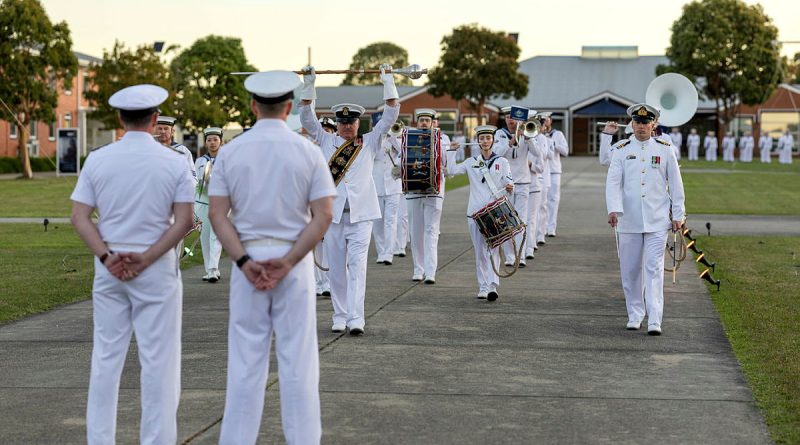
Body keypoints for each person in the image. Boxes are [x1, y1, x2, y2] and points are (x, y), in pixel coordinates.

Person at [209, 71, 336, 444]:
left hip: (247, 260)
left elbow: (218, 214)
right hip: (292, 262)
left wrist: (245, 262)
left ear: (253, 106)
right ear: (290, 107)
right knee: (298, 362)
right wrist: (290, 261)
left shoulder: (231, 151)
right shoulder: (308, 151)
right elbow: (324, 215)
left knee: (245, 363)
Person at [70, 84, 195, 444]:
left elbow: (80, 217)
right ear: (155, 119)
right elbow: (184, 221)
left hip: (109, 268)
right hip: (154, 268)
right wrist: (147, 258)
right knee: (159, 363)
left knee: (106, 359)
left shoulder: (98, 158)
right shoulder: (173, 161)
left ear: (119, 119)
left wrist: (108, 257)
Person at [299, 64, 400, 334]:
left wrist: (387, 79)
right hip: (332, 217)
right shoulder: (324, 139)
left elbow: (391, 114)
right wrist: (309, 84)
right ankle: (339, 315)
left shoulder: (370, 141)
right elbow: (306, 117)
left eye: (351, 122)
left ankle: (356, 317)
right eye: (343, 123)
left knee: (357, 266)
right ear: (338, 125)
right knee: (336, 271)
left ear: (358, 123)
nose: (346, 127)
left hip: (361, 216)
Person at [606, 104, 685, 336]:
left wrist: (678, 214)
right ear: (632, 124)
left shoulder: (665, 149)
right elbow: (613, 182)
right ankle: (635, 314)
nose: (641, 126)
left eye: (646, 122)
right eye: (638, 122)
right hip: (628, 219)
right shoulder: (620, 149)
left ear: (654, 125)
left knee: (653, 269)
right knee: (630, 270)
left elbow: (676, 184)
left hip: (657, 220)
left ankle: (654, 318)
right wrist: (613, 209)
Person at [447, 125, 514, 301]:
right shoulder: (471, 162)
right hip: (475, 213)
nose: (485, 141)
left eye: (488, 138)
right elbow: (451, 171)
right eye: (482, 138)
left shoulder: (502, 162)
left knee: (494, 249)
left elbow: (509, 183)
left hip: (495, 213)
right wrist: (452, 152)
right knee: (480, 252)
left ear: (493, 140)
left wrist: (509, 188)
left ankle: (493, 286)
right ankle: (483, 286)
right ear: (477, 141)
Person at [406, 108, 448, 283]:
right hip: (414, 191)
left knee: (431, 231)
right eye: (421, 120)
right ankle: (418, 269)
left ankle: (430, 272)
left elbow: (448, 166)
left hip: (434, 192)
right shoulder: (409, 138)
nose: (424, 123)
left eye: (427, 120)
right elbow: (403, 160)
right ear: (417, 122)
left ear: (433, 123)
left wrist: (447, 150)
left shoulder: (443, 139)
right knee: (416, 232)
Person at [493, 106, 536, 267]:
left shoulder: (528, 132)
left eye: (513, 118)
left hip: (524, 183)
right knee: (506, 222)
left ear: (519, 119)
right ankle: (510, 257)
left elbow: (538, 154)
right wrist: (512, 140)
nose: (511, 120)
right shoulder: (499, 134)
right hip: (505, 184)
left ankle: (521, 255)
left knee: (521, 220)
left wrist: (528, 137)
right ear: (505, 119)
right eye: (507, 117)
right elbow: (497, 152)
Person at [194, 127, 224, 282]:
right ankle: (209, 270)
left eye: (215, 139)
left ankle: (213, 269)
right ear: (205, 142)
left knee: (215, 235)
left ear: (221, 141)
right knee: (204, 236)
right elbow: (194, 181)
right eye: (209, 140)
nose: (212, 143)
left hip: (220, 201)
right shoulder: (199, 161)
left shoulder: (226, 159)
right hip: (203, 201)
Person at [312, 116, 337, 297]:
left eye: (328, 130)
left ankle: (327, 282)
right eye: (323, 130)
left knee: (329, 242)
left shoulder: (338, 152)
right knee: (314, 244)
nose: (325, 133)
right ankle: (316, 282)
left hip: (331, 201)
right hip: (312, 201)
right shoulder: (308, 151)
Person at [372, 130, 402, 265]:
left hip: (393, 186)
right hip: (376, 186)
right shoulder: (374, 140)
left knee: (390, 220)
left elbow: (403, 153)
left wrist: (393, 138)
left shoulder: (396, 139)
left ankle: (389, 253)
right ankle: (381, 252)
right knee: (378, 222)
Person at [544, 113, 568, 238]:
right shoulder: (537, 134)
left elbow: (565, 151)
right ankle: (542, 227)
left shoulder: (558, 134)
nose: (545, 121)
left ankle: (551, 227)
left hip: (554, 170)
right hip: (540, 171)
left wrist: (553, 143)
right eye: (543, 120)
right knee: (542, 201)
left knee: (553, 199)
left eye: (547, 119)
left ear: (551, 120)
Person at [154, 115, 197, 181]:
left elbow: (192, 178)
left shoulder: (183, 151)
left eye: (166, 129)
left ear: (172, 132)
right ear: (155, 131)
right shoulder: (149, 149)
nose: (162, 132)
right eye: (160, 129)